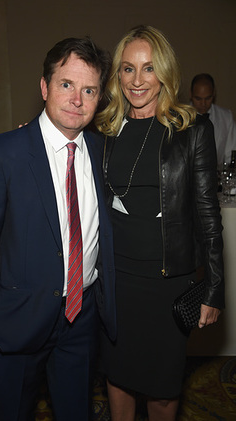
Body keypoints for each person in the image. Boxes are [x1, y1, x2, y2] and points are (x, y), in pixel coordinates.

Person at [0, 37, 116, 421]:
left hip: (81, 321)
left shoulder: (102, 153)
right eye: (67, 84)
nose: (77, 99)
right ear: (45, 87)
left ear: (99, 98)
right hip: (16, 323)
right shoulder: (3, 153)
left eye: (89, 90)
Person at [95, 25, 224, 421]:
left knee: (164, 391)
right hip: (115, 280)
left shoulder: (192, 131)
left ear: (164, 72)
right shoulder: (103, 130)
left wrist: (215, 288)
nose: (137, 81)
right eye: (128, 69)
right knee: (117, 380)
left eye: (148, 69)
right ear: (117, 75)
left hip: (167, 284)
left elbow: (208, 214)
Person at [190, 73, 236, 167]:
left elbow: (230, 153)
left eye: (208, 98)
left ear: (214, 94)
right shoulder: (180, 118)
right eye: (198, 98)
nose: (203, 103)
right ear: (191, 95)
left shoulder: (226, 117)